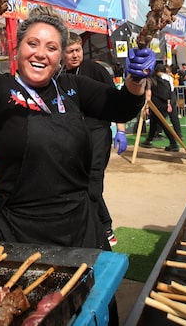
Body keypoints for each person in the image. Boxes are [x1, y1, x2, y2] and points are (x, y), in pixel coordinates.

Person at [0, 6, 154, 251]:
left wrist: (136, 78)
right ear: (18, 49)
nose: (40, 54)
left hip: (79, 228)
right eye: (33, 44)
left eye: (51, 48)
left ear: (60, 57)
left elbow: (122, 107)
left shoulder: (73, 87)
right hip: (17, 231)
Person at [61, 32, 124, 247]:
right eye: (70, 52)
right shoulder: (59, 74)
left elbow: (116, 99)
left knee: (93, 182)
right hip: (74, 136)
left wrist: (121, 130)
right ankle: (93, 224)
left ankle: (105, 228)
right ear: (62, 53)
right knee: (79, 181)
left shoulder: (95, 70)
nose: (75, 55)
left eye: (78, 50)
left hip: (98, 132)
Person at [141, 63, 178, 151]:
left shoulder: (150, 80)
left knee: (163, 124)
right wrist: (168, 104)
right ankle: (149, 140)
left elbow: (148, 93)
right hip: (164, 104)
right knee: (154, 122)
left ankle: (173, 143)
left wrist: (146, 107)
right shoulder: (164, 80)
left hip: (155, 104)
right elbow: (169, 93)